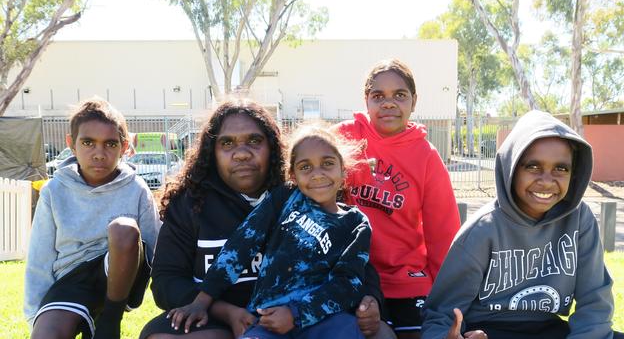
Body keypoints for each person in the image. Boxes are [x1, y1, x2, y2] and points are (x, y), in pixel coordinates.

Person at [140, 99, 390, 339]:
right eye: (227, 143)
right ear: (212, 152)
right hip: (220, 319)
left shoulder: (302, 192)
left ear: (272, 148)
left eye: (254, 141)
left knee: (381, 334)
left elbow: (356, 266)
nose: (241, 154)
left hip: (301, 317)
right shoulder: (191, 203)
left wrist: (370, 299)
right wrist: (226, 312)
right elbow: (166, 281)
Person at [421, 110, 624, 339]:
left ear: (574, 174)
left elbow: (595, 301)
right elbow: (440, 313)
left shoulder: (579, 219)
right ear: (511, 168)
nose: (546, 181)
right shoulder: (482, 230)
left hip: (548, 328)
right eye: (533, 167)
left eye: (561, 168)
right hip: (488, 330)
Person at [334, 59, 461, 338]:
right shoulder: (345, 137)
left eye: (399, 95)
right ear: (366, 101)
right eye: (378, 96)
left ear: (414, 102)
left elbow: (442, 233)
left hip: (407, 280)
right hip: (351, 275)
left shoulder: (426, 156)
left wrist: (445, 296)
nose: (388, 103)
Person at [24, 98, 160, 339]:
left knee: (124, 229)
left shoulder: (136, 188)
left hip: (118, 277)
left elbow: (153, 246)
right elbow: (39, 256)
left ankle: (109, 321)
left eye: (110, 144)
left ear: (124, 146)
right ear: (71, 144)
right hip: (71, 281)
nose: (99, 153)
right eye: (88, 142)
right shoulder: (54, 190)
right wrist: (37, 314)